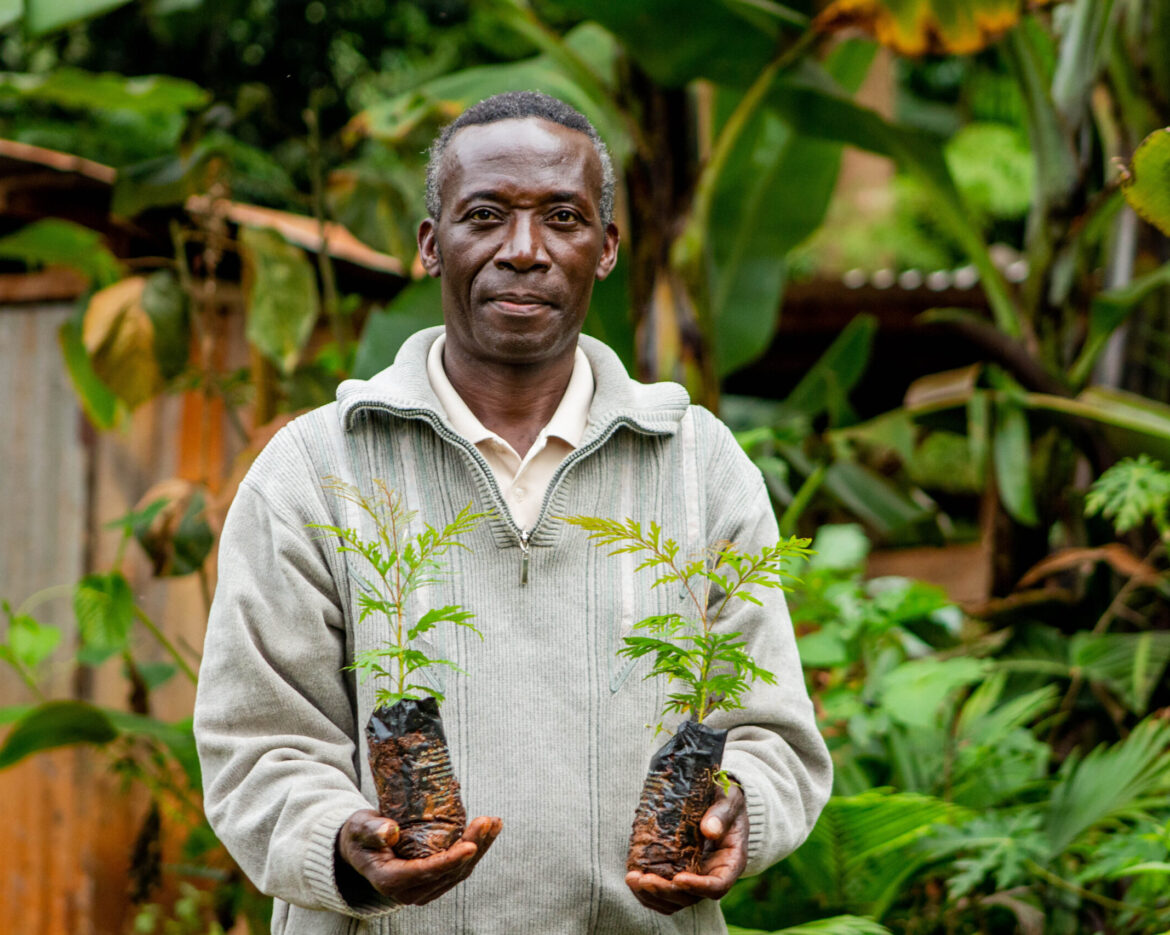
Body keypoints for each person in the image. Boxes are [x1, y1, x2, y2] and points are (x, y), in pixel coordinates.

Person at [194, 91, 831, 935]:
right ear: (432, 244)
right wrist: (344, 843)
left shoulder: (696, 465)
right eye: (485, 215)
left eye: (562, 217)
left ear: (604, 249)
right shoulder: (316, 468)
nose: (523, 251)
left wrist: (737, 815)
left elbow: (771, 731)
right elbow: (257, 744)